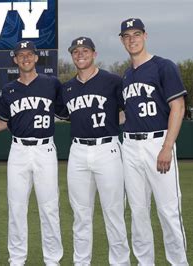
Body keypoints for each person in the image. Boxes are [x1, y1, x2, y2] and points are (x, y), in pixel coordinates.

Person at [119, 18, 188, 265]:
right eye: (127, 36)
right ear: (121, 40)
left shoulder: (163, 66)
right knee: (138, 212)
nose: (132, 39)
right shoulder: (126, 75)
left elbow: (177, 107)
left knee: (168, 211)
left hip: (157, 143)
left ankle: (179, 263)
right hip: (130, 146)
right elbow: (126, 113)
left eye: (136, 34)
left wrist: (167, 147)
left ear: (145, 36)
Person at [61, 37, 130, 265]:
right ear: (72, 55)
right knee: (80, 216)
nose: (80, 54)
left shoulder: (112, 81)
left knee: (114, 213)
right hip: (78, 151)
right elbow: (66, 114)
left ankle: (120, 262)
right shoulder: (67, 88)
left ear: (94, 53)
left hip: (107, 149)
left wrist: (113, 122)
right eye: (76, 51)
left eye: (85, 50)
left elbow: (128, 112)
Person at [0, 40, 64, 266]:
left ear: (36, 57)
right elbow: (3, 122)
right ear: (14, 59)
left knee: (49, 207)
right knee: (16, 207)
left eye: (29, 54)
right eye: (20, 55)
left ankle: (52, 260)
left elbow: (64, 113)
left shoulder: (52, 83)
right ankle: (16, 259)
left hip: (45, 148)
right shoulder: (8, 89)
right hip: (19, 150)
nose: (25, 58)